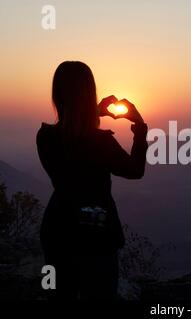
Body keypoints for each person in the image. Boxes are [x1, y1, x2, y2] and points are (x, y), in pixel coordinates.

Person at [36, 61, 148, 299]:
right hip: (96, 234)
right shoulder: (101, 143)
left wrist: (93, 112)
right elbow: (135, 170)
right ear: (90, 94)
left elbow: (73, 140)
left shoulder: (45, 137)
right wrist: (139, 127)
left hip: (57, 231)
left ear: (57, 95)